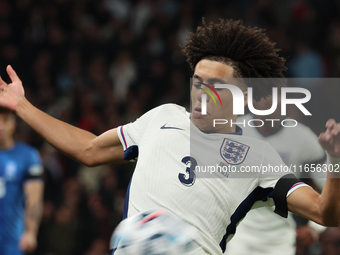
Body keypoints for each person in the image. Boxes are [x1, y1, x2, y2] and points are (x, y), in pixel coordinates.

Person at [0, 19, 339, 255]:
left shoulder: (259, 156)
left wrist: (335, 161)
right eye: (197, 82)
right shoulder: (162, 117)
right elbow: (88, 149)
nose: (202, 93)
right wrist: (22, 106)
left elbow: (326, 214)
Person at [226, 95, 326, 255]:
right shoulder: (233, 130)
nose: (266, 100)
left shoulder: (302, 137)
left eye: (273, 95)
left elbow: (331, 188)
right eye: (261, 94)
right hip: (239, 234)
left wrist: (316, 229)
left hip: (281, 238)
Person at [0, 107, 44, 255]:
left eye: (5, 120)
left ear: (14, 124)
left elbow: (34, 198)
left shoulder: (28, 156)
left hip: (12, 239)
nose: (0, 126)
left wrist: (31, 232)